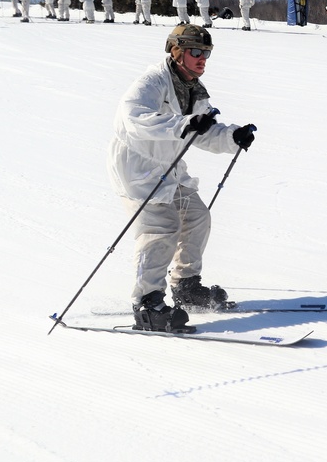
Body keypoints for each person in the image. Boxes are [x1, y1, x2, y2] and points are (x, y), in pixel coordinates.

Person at [107, 24, 257, 332]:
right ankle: (147, 304)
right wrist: (184, 124)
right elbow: (131, 119)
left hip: (170, 165)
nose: (203, 59)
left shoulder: (192, 88)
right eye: (196, 52)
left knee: (197, 217)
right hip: (137, 167)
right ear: (177, 51)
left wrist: (232, 136)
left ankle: (186, 285)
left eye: (207, 53)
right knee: (161, 228)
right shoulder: (151, 82)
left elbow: (201, 131)